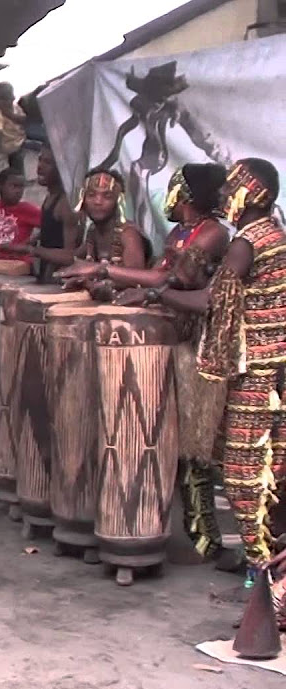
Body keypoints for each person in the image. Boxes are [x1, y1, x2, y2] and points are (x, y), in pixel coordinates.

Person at [62, 163, 231, 561]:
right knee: (160, 437)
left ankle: (211, 542)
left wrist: (104, 270)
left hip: (199, 347)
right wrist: (129, 288)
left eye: (174, 187)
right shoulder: (180, 232)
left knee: (196, 448)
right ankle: (152, 525)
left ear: (186, 195)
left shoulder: (212, 234)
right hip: (171, 340)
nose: (168, 195)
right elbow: (157, 277)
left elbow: (164, 282)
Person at [127, 159, 284, 578]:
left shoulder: (246, 242)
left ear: (251, 194)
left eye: (231, 184)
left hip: (258, 374)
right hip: (274, 368)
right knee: (271, 468)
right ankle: (269, 564)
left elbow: (210, 303)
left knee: (242, 474)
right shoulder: (273, 233)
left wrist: (159, 297)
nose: (221, 193)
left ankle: (261, 572)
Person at [20, 169, 151, 298]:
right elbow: (73, 257)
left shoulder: (128, 234)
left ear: (118, 201)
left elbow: (136, 278)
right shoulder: (94, 230)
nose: (98, 201)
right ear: (83, 198)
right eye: (91, 195)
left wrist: (94, 276)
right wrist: (31, 250)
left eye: (107, 196)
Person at [33, 146, 81, 283]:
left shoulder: (65, 204)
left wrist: (32, 250)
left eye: (47, 162)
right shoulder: (51, 197)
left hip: (59, 279)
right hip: (46, 273)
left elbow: (70, 256)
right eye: (40, 160)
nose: (40, 166)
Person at [0, 82, 27, 171]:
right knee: (17, 161)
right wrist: (0, 150)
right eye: (2, 99)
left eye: (8, 98)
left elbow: (24, 120)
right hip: (8, 146)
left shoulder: (16, 108)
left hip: (21, 141)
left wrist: (11, 115)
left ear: (13, 98)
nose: (6, 102)